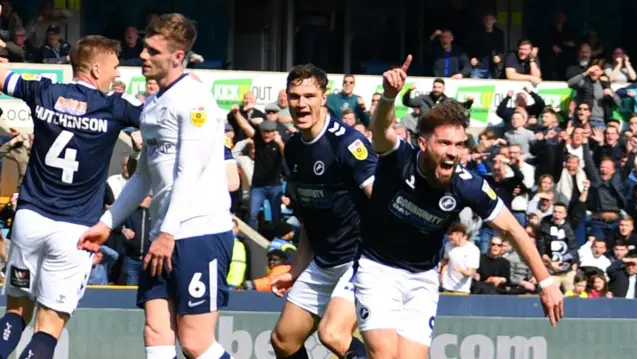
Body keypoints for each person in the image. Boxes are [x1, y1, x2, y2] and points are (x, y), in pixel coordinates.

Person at [353, 55, 564, 359]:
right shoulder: (398, 158)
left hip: (422, 279)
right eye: (444, 144)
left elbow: (513, 230)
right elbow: (381, 130)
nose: (453, 153)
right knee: (385, 355)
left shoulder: (468, 185)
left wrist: (545, 282)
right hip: (377, 269)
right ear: (424, 144)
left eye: (459, 144)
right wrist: (388, 96)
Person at [78, 13, 234, 359]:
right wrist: (106, 225)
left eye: (152, 50)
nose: (143, 56)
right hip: (163, 235)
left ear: (177, 56)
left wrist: (168, 233)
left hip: (198, 233)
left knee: (195, 343)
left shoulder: (194, 99)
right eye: (144, 48)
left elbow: (189, 172)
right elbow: (144, 177)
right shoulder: (152, 104)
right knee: (156, 330)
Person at [0, 27, 142, 359]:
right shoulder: (114, 107)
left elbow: (4, 78)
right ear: (95, 69)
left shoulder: (44, 92)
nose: (116, 74)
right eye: (113, 68)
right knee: (48, 327)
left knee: (16, 313)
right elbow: (159, 120)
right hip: (74, 230)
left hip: (29, 221)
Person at [269, 64, 376, 359]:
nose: (301, 104)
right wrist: (295, 271)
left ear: (324, 97)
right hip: (325, 260)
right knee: (283, 340)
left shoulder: (347, 143)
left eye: (309, 95)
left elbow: (382, 204)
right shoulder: (292, 149)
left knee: (332, 334)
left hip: (362, 258)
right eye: (294, 96)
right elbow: (309, 220)